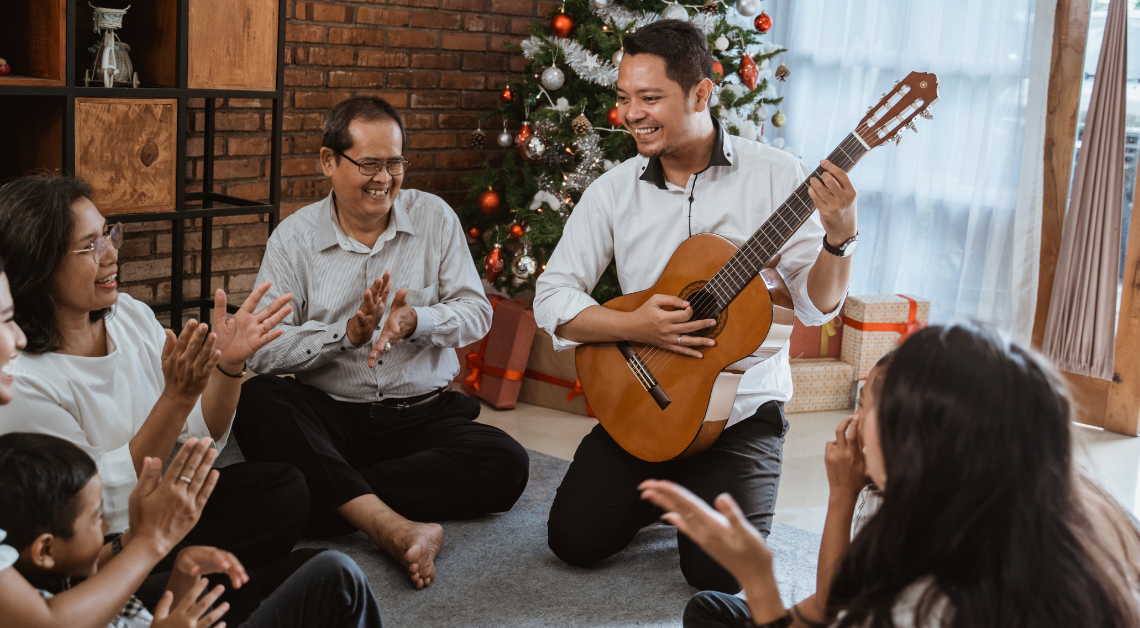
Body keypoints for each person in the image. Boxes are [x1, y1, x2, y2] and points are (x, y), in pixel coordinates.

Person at [531, 19, 857, 592]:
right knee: (574, 543)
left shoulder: (781, 176)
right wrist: (635, 325)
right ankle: (665, 499)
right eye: (625, 98)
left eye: (650, 98)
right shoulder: (613, 188)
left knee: (718, 578)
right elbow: (552, 296)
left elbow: (813, 306)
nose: (632, 113)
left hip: (739, 417)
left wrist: (839, 239)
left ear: (702, 93)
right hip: (644, 395)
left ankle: (695, 495)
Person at [642, 324, 1140, 628]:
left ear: (917, 441)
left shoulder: (930, 600)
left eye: (869, 407)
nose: (854, 425)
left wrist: (760, 580)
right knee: (713, 609)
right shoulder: (1060, 504)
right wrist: (844, 492)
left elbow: (837, 612)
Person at [233, 96, 530, 589]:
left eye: (395, 163)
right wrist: (345, 334)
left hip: (425, 416)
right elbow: (263, 349)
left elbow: (478, 313)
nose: (385, 178)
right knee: (260, 400)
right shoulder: (294, 239)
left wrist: (417, 320)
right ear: (329, 160)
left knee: (507, 465)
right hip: (333, 415)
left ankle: (333, 494)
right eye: (369, 163)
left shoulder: (434, 218)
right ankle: (389, 523)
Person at [0, 174, 309, 623]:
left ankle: (189, 588)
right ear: (39, 265)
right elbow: (96, 505)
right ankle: (181, 591)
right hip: (89, 546)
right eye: (89, 246)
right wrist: (177, 397)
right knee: (302, 569)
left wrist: (228, 366)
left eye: (108, 233)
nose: (111, 253)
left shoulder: (129, 315)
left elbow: (202, 437)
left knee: (282, 490)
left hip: (154, 511)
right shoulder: (21, 380)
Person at [0, 432, 386, 628]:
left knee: (311, 561)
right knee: (335, 575)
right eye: (96, 518)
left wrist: (173, 566)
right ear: (45, 550)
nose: (105, 527)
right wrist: (150, 540)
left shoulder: (60, 581)